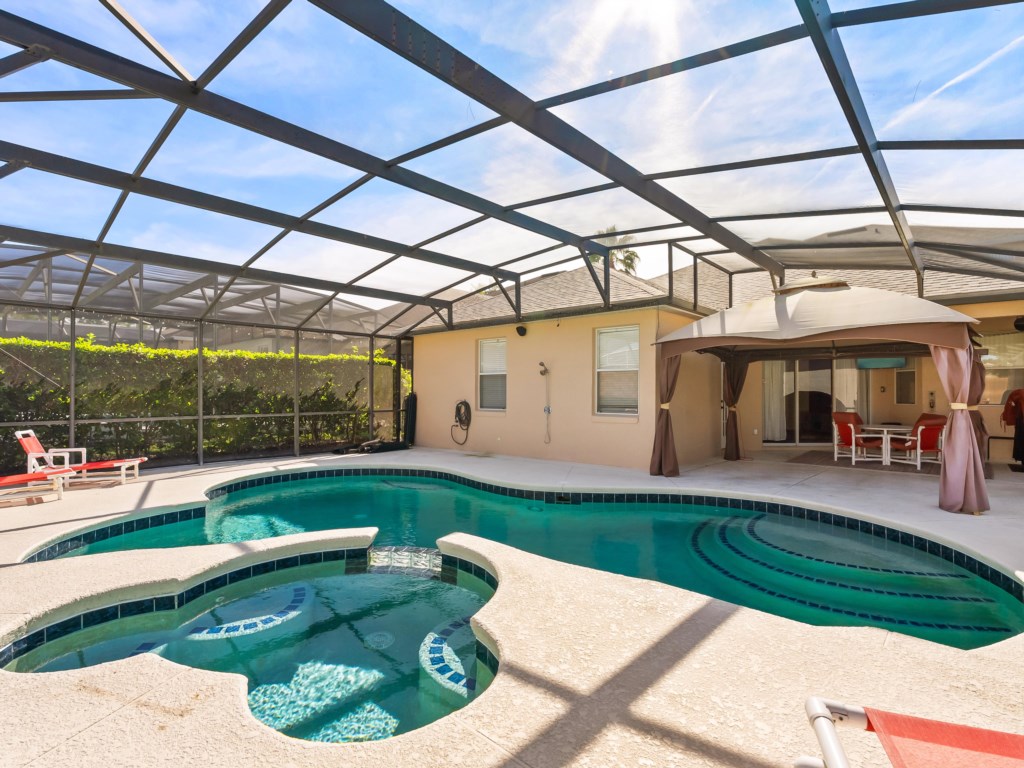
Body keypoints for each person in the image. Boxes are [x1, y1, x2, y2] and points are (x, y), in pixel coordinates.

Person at [1001, 388, 1024, 465]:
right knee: (1021, 440)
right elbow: (1010, 403)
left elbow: (1010, 404)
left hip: (1021, 421)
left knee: (1021, 441)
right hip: (1021, 421)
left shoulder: (1019, 393)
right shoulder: (1020, 393)